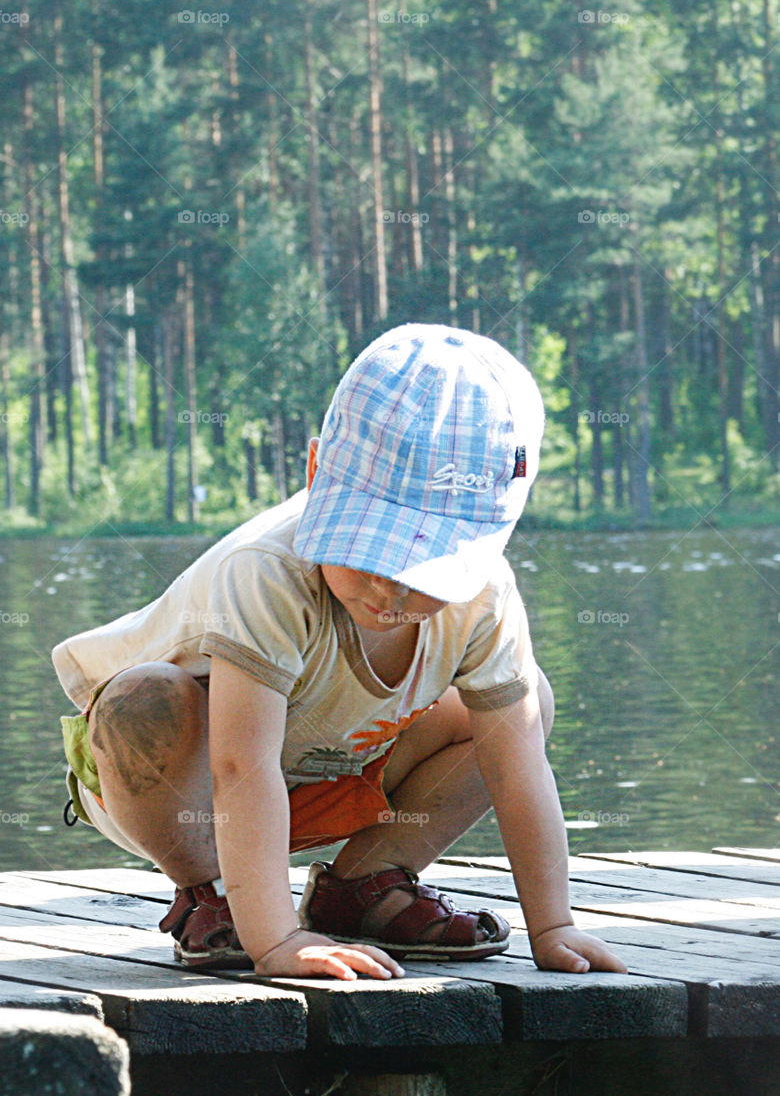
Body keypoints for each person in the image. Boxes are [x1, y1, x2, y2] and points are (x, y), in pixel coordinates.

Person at [52, 323, 627, 982]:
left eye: (424, 572)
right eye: (370, 555)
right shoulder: (267, 573)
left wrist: (553, 926)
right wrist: (277, 942)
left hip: (330, 769)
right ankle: (213, 899)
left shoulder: (486, 600)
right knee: (142, 701)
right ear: (317, 472)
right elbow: (241, 766)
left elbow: (520, 770)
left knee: (524, 710)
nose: (388, 592)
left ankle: (361, 886)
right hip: (183, 788)